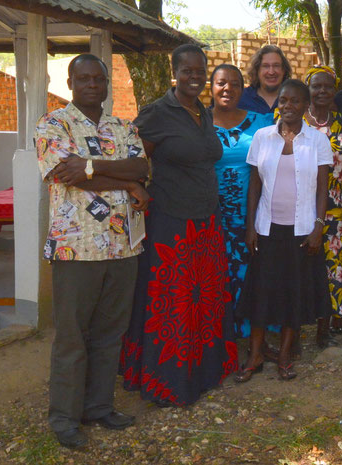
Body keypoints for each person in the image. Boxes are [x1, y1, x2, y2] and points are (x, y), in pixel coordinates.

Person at [35, 54, 149, 449]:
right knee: (71, 336)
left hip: (122, 248)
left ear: (106, 84)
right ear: (70, 83)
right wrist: (126, 184)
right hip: (75, 248)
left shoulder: (123, 127)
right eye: (82, 79)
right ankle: (65, 418)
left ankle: (98, 407)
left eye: (97, 79)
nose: (91, 85)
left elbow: (141, 168)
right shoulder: (53, 123)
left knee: (109, 333)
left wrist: (91, 166)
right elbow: (64, 173)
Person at [120, 44, 238, 406]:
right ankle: (168, 382)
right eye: (188, 71)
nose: (195, 77)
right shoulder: (158, 113)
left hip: (205, 224)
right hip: (171, 224)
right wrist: (135, 185)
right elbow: (131, 158)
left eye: (200, 71)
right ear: (175, 72)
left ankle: (202, 373)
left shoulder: (201, 110)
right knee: (172, 305)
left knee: (202, 302)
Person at [236, 79, 333, 381]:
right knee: (261, 294)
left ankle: (285, 356)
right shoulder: (263, 137)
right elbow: (254, 185)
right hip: (266, 228)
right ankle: (254, 356)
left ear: (306, 106)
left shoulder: (317, 141)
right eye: (283, 101)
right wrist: (250, 226)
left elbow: (322, 189)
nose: (288, 106)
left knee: (294, 293)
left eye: (295, 101)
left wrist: (318, 226)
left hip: (302, 231)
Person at [210, 63, 273, 338]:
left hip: (252, 212)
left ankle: (253, 336)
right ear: (211, 87)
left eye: (235, 83)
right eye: (221, 83)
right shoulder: (197, 122)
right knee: (217, 274)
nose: (228, 89)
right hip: (211, 213)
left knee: (252, 274)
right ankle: (220, 335)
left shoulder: (261, 122)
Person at [303, 66, 342, 346]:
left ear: (334, 90)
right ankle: (301, 324)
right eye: (316, 86)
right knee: (303, 268)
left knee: (335, 268)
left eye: (327, 86)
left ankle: (330, 324)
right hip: (300, 210)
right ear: (307, 90)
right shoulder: (293, 120)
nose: (322, 91)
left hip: (336, 209)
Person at [238, 45, 292, 114]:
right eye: (266, 66)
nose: (271, 72)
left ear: (284, 70)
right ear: (257, 70)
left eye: (276, 65)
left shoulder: (293, 99)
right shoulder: (242, 98)